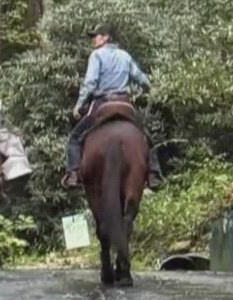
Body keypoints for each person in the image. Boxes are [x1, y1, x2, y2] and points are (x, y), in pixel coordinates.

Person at [64, 23, 163, 188]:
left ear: (106, 37)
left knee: (74, 139)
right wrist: (151, 89)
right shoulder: (125, 55)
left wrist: (79, 104)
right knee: (147, 137)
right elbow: (141, 78)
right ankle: (153, 174)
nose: (94, 40)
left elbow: (90, 83)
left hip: (102, 103)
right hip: (124, 102)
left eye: (96, 36)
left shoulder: (96, 55)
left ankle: (73, 173)